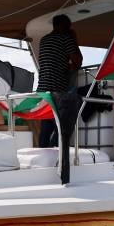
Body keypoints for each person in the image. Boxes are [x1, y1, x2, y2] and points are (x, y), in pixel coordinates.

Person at [36, 14, 83, 147]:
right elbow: (78, 61)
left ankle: (44, 153)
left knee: (46, 125)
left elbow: (52, 61)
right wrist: (74, 40)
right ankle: (56, 154)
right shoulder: (65, 39)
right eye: (67, 26)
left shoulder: (44, 40)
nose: (69, 28)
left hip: (43, 89)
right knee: (61, 125)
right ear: (61, 25)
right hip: (58, 90)